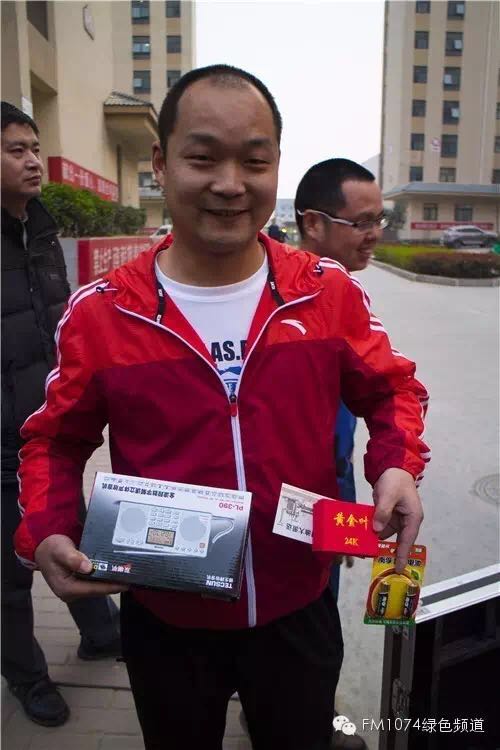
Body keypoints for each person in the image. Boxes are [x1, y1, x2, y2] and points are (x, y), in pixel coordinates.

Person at [14, 66, 430, 750]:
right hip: (165, 616)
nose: (231, 184)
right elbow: (54, 440)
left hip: (299, 606)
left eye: (255, 162)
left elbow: (391, 390)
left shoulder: (326, 293)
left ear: (277, 167)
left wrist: (395, 464)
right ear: (160, 163)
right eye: (203, 158)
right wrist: (51, 526)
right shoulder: (103, 313)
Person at [1, 102, 121, 728]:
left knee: (66, 529)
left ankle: (101, 633)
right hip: (0, 441)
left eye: (34, 147)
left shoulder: (42, 232)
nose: (32, 161)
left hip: (47, 431)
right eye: (15, 150)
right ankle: (28, 678)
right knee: (9, 575)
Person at [294, 158, 389, 749]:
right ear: (313, 223)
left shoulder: (343, 293)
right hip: (295, 503)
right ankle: (307, 719)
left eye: (380, 219)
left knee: (320, 609)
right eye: (362, 222)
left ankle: (302, 710)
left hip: (333, 494)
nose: (374, 234)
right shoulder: (288, 301)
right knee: (309, 622)